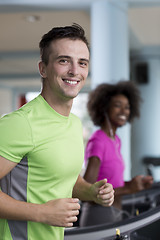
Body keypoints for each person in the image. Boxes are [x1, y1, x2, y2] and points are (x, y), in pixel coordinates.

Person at [0, 24, 114, 240]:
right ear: (43, 68)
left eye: (82, 63)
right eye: (64, 60)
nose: (74, 71)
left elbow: (63, 179)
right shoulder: (20, 124)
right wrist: (41, 213)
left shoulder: (74, 123)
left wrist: (92, 192)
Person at [80, 80, 153, 227]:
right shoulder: (98, 141)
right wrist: (128, 189)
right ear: (104, 107)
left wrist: (134, 184)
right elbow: (86, 192)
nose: (123, 111)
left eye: (127, 107)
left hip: (116, 213)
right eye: (117, 105)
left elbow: (112, 183)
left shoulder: (115, 140)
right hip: (99, 216)